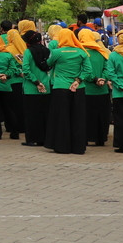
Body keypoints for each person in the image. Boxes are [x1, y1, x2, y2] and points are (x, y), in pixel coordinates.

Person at [44, 27, 87, 155]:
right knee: (77, 117)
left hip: (60, 86)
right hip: (78, 87)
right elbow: (87, 70)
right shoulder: (81, 52)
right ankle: (78, 147)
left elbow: (48, 63)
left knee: (61, 117)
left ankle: (62, 146)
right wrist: (78, 80)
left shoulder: (57, 52)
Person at [78, 28, 112, 147]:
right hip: (103, 90)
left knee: (87, 116)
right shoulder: (102, 52)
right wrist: (103, 78)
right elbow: (108, 68)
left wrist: (94, 79)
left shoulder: (81, 53)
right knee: (102, 115)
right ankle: (101, 138)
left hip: (87, 90)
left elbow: (83, 71)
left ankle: (87, 137)